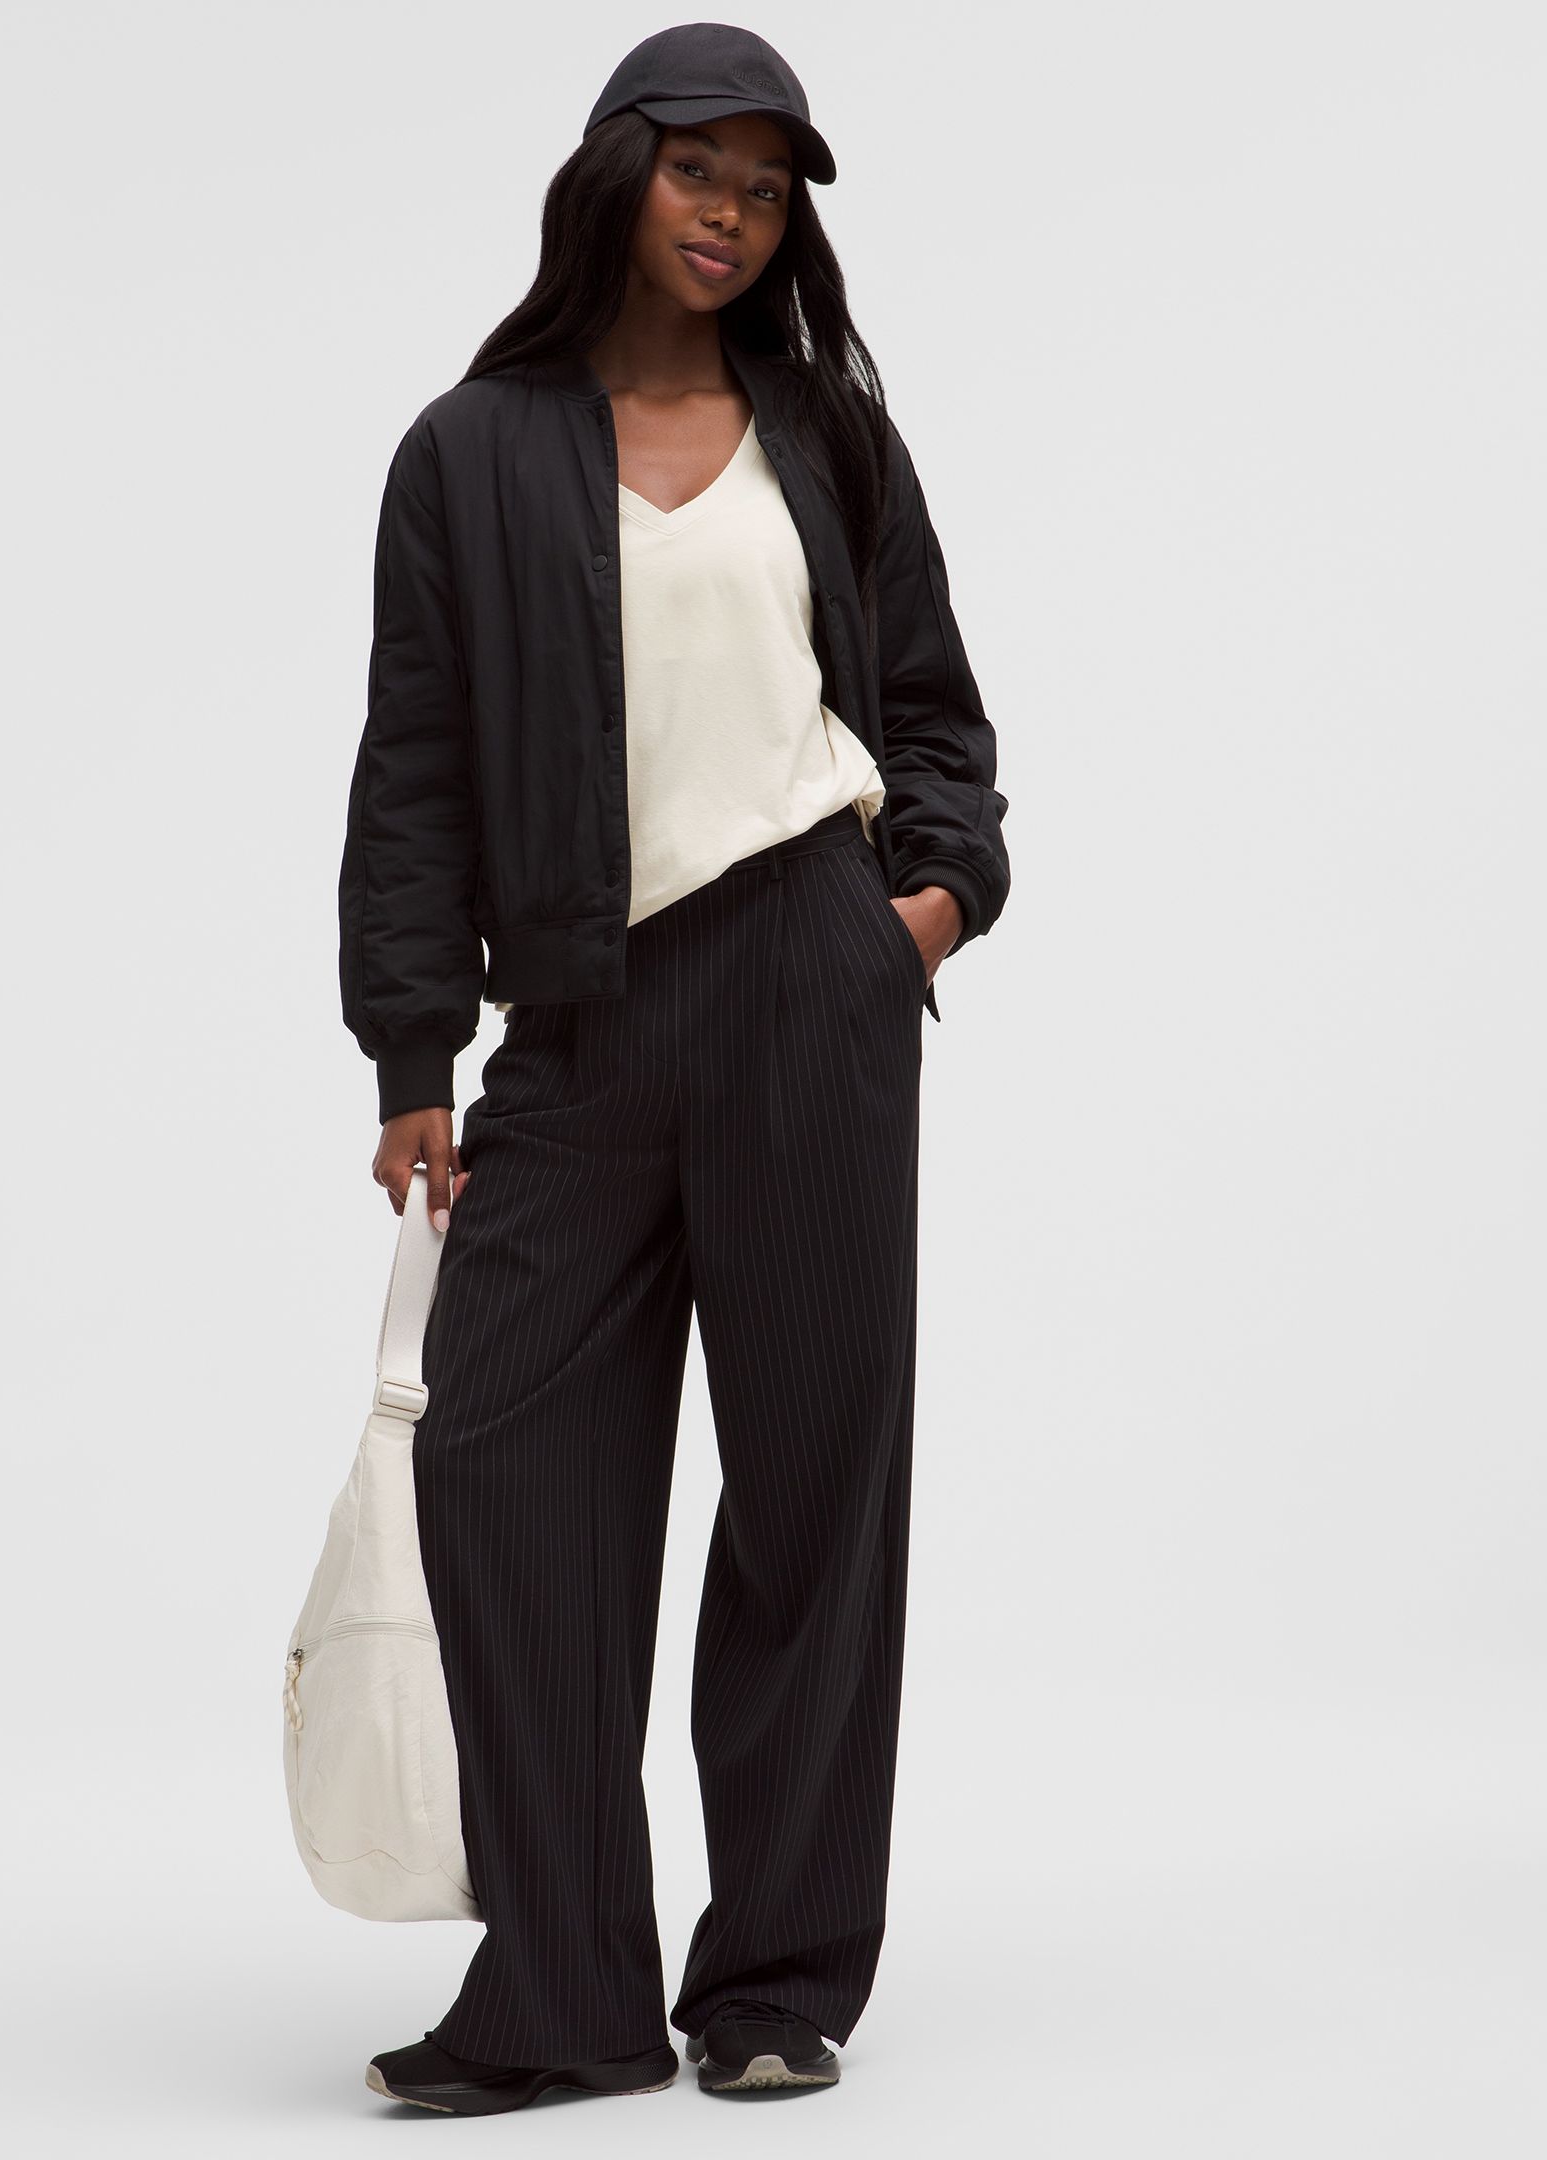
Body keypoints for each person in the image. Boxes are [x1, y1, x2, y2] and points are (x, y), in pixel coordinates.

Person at [338, 21, 1011, 2118]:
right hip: (576, 1021)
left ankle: (777, 1983)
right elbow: (414, 763)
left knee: (811, 1496)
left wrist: (923, 910)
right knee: (503, 1472)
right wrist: (412, 1047)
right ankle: (562, 1989)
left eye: (768, 186)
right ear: (613, 173)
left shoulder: (829, 436)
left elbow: (934, 713)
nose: (733, 213)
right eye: (699, 168)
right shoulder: (469, 450)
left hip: (810, 979)